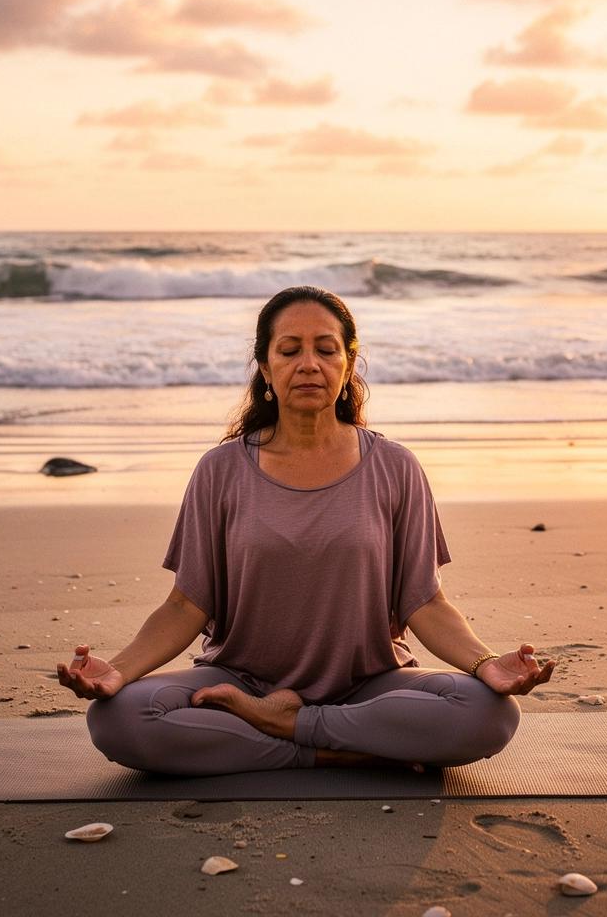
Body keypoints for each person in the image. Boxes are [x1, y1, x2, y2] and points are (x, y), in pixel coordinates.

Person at [57, 286, 554, 776]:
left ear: (348, 364)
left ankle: (289, 727)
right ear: (266, 368)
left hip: (367, 684)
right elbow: (186, 606)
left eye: (326, 349)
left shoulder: (395, 467)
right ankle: (331, 749)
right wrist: (119, 671)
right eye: (290, 350)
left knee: (489, 713)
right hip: (239, 682)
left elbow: (424, 603)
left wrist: (485, 663)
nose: (309, 364)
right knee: (118, 719)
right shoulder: (220, 470)